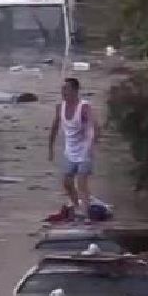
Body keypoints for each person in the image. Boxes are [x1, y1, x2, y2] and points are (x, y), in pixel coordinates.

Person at [47, 76, 99, 222]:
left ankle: (87, 215)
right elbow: (54, 127)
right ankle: (77, 207)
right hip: (70, 151)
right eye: (62, 89)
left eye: (66, 89)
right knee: (67, 182)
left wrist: (92, 144)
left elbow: (94, 127)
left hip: (85, 150)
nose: (63, 92)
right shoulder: (60, 107)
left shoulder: (84, 107)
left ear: (75, 91)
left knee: (82, 182)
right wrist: (50, 147)